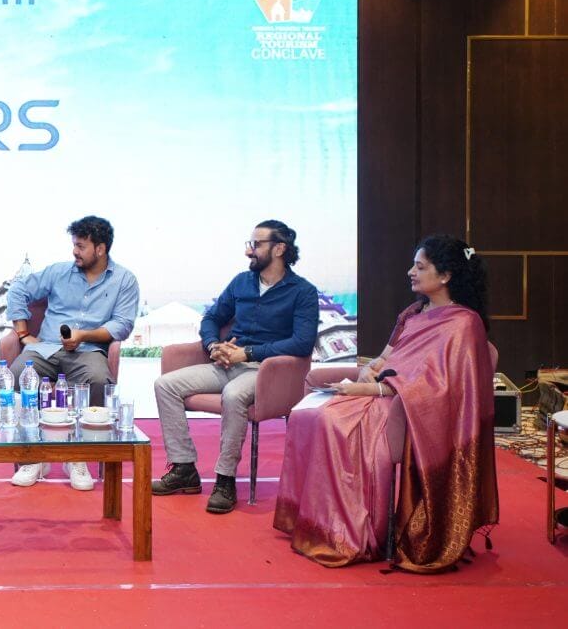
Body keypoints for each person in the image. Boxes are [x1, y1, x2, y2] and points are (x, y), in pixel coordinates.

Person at [274, 235, 498, 571]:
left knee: (334, 424)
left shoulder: (464, 323)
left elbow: (441, 389)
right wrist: (368, 371)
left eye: (419, 267)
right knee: (308, 414)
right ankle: (312, 522)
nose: (410, 272)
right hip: (381, 394)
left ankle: (350, 534)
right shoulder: (414, 313)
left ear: (445, 276)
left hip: (408, 411)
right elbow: (385, 358)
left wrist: (372, 389)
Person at [152, 220, 318, 514]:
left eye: (256, 245)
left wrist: (248, 353)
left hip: (267, 372)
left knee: (233, 394)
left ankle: (225, 479)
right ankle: (184, 468)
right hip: (227, 363)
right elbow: (211, 318)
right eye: (249, 244)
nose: (249, 251)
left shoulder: (303, 291)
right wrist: (213, 346)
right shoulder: (241, 282)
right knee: (165, 385)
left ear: (279, 249)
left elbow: (302, 343)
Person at [6, 216, 140, 491]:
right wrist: (22, 333)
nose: (74, 251)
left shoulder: (124, 280)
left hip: (89, 351)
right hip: (47, 348)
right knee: (17, 374)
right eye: (74, 245)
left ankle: (77, 455)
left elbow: (122, 324)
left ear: (100, 249)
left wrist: (83, 336)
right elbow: (18, 289)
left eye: (80, 246)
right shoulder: (59, 272)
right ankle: (35, 455)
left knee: (99, 380)